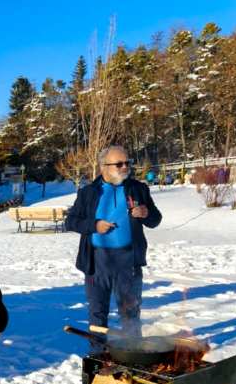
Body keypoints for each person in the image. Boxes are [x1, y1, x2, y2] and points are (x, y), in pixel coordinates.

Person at [64, 145, 162, 347]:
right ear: (104, 167)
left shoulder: (138, 189)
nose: (125, 167)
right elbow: (71, 221)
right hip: (97, 262)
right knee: (97, 314)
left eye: (127, 163)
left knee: (130, 314)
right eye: (119, 164)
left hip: (128, 262)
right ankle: (98, 356)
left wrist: (146, 213)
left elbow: (155, 219)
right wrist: (94, 226)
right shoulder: (88, 193)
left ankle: (133, 355)